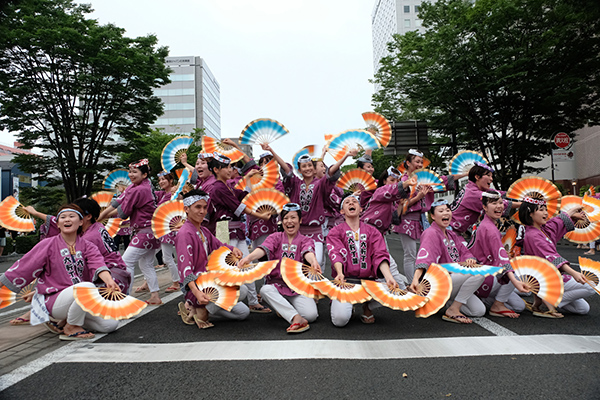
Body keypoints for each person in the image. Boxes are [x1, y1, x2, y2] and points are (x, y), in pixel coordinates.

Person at [0, 205, 120, 340]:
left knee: (110, 324)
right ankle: (71, 326)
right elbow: (24, 266)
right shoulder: (47, 244)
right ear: (57, 224)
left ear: (81, 222)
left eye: (71, 216)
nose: (66, 220)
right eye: (62, 217)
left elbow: (98, 264)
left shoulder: (88, 246)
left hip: (79, 298)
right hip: (54, 299)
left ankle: (64, 321)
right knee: (88, 287)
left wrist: (109, 280)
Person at [264, 143, 357, 269]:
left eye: (309, 166)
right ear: (300, 170)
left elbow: (331, 172)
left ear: (314, 170)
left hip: (315, 232)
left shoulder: (320, 184)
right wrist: (271, 150)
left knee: (316, 261)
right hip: (297, 231)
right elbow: (286, 169)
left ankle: (313, 287)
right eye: (304, 166)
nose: (307, 168)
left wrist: (345, 156)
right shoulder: (295, 184)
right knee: (296, 264)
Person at [238, 203, 320, 333]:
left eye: (293, 218)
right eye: (286, 218)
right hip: (276, 286)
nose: (289, 221)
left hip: (297, 288)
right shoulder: (275, 237)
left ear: (300, 220)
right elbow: (263, 249)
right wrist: (248, 258)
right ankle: (295, 317)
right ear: (281, 221)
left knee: (311, 316)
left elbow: (308, 252)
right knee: (265, 290)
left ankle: (284, 309)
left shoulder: (306, 240)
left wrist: (314, 261)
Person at [207, 152, 273, 313]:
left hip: (235, 229)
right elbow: (239, 207)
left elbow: (243, 195)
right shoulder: (217, 188)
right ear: (216, 169)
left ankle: (251, 300)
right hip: (224, 229)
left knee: (246, 264)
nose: (231, 170)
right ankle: (213, 304)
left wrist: (248, 178)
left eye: (230, 166)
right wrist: (261, 215)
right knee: (229, 267)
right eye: (227, 167)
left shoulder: (227, 186)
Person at [175, 189, 250, 329]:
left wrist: (232, 249)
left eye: (204, 207)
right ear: (186, 209)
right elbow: (185, 269)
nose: (202, 211)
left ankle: (197, 309)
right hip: (196, 286)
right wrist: (196, 293)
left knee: (242, 313)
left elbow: (219, 246)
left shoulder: (203, 230)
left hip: (209, 283)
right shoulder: (184, 233)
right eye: (197, 207)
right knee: (242, 290)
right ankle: (198, 307)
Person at [393, 149, 465, 284]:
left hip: (422, 220)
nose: (420, 164)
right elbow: (400, 205)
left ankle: (428, 280)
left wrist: (467, 173)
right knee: (410, 255)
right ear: (408, 163)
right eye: (417, 161)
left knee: (428, 251)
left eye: (421, 162)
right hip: (407, 220)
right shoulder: (403, 181)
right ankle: (411, 283)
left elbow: (442, 180)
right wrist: (419, 197)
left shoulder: (425, 178)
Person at [326, 195, 399, 327]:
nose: (351, 203)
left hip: (369, 282)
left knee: (396, 288)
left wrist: (388, 277)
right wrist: (339, 272)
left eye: (354, 202)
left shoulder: (373, 231)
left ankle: (368, 306)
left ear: (361, 209)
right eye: (347, 202)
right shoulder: (335, 232)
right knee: (340, 320)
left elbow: (380, 254)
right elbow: (335, 253)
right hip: (346, 281)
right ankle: (349, 304)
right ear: (342, 211)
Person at [517, 197, 596, 317]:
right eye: (541, 210)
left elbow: (558, 221)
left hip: (546, 278)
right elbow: (552, 258)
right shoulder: (533, 235)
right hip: (547, 279)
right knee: (592, 285)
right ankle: (548, 298)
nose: (546, 213)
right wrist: (574, 273)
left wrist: (574, 210)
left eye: (546, 209)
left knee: (582, 309)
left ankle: (545, 299)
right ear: (530, 213)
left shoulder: (543, 229)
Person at [409, 200, 485, 324]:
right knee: (479, 272)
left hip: (454, 280)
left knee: (478, 311)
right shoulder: (430, 233)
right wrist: (416, 279)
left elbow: (464, 251)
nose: (446, 213)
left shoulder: (451, 234)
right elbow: (424, 258)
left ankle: (448, 303)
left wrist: (469, 259)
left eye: (448, 210)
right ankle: (453, 309)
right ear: (432, 216)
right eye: (441, 211)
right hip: (439, 282)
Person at [98, 159, 162, 305]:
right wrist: (100, 216)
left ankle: (125, 297)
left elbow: (122, 212)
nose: (131, 175)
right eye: (130, 172)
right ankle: (155, 296)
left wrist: (101, 216)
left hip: (144, 232)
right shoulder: (138, 186)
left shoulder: (139, 189)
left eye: (135, 172)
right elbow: (117, 201)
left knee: (126, 262)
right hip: (151, 231)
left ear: (144, 174)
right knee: (146, 265)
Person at [467, 191, 530, 317]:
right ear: (484, 207)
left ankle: (486, 300)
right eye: (494, 203)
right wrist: (515, 281)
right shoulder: (490, 229)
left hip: (485, 273)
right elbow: (502, 260)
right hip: (484, 276)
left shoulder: (488, 224)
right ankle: (497, 305)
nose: (499, 206)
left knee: (519, 306)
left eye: (501, 203)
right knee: (516, 271)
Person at [361, 166, 415, 287]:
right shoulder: (380, 191)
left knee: (380, 266)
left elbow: (395, 219)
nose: (395, 183)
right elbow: (391, 190)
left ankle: (370, 304)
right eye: (392, 180)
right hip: (367, 232)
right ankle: (403, 292)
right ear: (384, 181)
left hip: (379, 234)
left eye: (397, 181)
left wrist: (400, 205)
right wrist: (406, 182)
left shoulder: (392, 200)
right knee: (389, 265)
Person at [73, 197, 131, 294]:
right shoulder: (98, 226)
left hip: (107, 278)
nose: (72, 218)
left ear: (88, 216)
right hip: (118, 270)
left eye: (76, 214)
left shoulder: (88, 238)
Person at [137, 171, 181, 293]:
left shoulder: (173, 194)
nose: (161, 182)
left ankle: (176, 282)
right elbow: (148, 193)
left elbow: (159, 208)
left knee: (166, 258)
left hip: (167, 229)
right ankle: (147, 282)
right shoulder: (162, 193)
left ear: (171, 181)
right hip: (159, 229)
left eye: (164, 179)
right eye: (159, 180)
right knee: (147, 257)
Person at [450, 162, 520, 236]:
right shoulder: (473, 194)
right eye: (488, 175)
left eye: (492, 176)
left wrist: (521, 195)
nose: (491, 179)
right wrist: (522, 204)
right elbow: (499, 202)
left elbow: (499, 193)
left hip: (453, 231)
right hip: (448, 231)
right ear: (477, 177)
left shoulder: (471, 188)